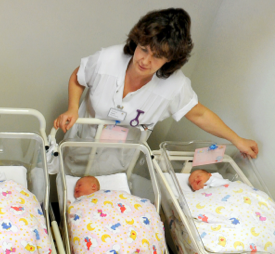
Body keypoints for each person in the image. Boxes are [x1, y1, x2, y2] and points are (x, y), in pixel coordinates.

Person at [53, 8, 258, 161]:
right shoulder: (107, 59)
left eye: (158, 56)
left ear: (170, 59)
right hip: (79, 145)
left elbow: (199, 114)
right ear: (137, 42)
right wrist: (72, 108)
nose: (145, 61)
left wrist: (237, 140)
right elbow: (77, 76)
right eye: (143, 49)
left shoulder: (174, 85)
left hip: (119, 161)